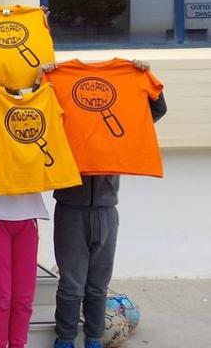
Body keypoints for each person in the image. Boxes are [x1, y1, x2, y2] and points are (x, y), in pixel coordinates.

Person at [47, 61, 167, 348]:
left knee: (98, 284)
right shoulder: (63, 105)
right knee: (71, 283)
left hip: (106, 209)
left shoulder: (120, 120)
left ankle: (94, 338)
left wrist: (142, 76)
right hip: (70, 208)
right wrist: (44, 77)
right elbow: (36, 110)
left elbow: (155, 110)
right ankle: (65, 338)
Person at [0, 82, 47, 348]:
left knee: (24, 296)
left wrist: (42, 83)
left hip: (28, 219)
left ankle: (18, 344)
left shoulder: (31, 130)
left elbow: (52, 119)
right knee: (2, 295)